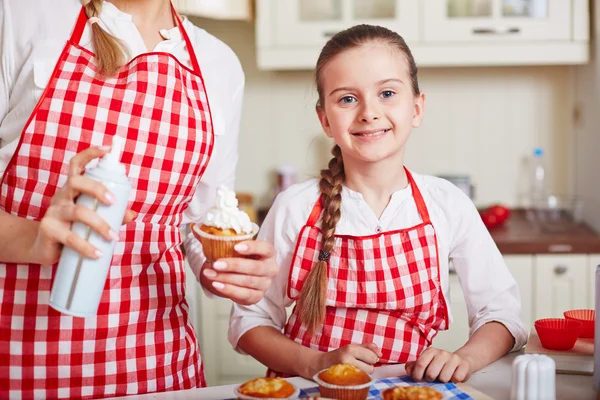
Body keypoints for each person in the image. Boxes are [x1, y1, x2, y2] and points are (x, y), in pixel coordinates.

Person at [0, 0, 278, 398]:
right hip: (16, 361)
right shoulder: (21, 15)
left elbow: (195, 226)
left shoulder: (219, 64)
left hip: (156, 367)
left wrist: (229, 271)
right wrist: (31, 238)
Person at [228, 24, 527, 383]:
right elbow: (250, 320)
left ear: (416, 108)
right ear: (325, 119)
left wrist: (464, 359)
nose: (368, 112)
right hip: (310, 389)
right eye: (347, 99)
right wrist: (315, 363)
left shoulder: (446, 204)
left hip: (408, 390)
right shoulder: (295, 207)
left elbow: (503, 314)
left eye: (387, 93)